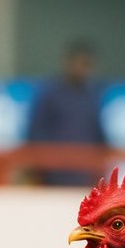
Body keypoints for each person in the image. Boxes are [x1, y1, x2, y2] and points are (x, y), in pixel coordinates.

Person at [25, 41, 107, 186]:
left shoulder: (92, 95)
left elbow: (99, 135)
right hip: (53, 175)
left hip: (84, 175)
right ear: (67, 62)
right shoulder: (50, 93)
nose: (80, 68)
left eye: (86, 64)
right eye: (77, 62)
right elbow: (35, 132)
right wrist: (41, 167)